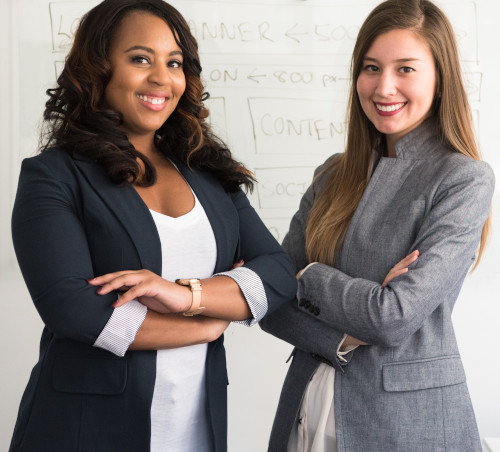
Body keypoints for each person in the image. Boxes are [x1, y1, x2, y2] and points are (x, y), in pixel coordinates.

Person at [9, 1, 296, 451]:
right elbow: (76, 311)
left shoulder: (208, 175)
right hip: (86, 433)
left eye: (174, 62)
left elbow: (277, 272)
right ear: (99, 68)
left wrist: (187, 296)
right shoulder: (55, 176)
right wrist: (206, 323)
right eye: (141, 58)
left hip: (196, 433)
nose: (162, 77)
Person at [260, 0, 495, 450]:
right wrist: (343, 335)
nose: (384, 86)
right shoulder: (332, 173)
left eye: (405, 69)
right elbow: (270, 298)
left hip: (406, 424)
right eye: (371, 67)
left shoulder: (463, 178)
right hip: (306, 408)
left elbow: (393, 317)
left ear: (439, 78)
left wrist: (307, 276)